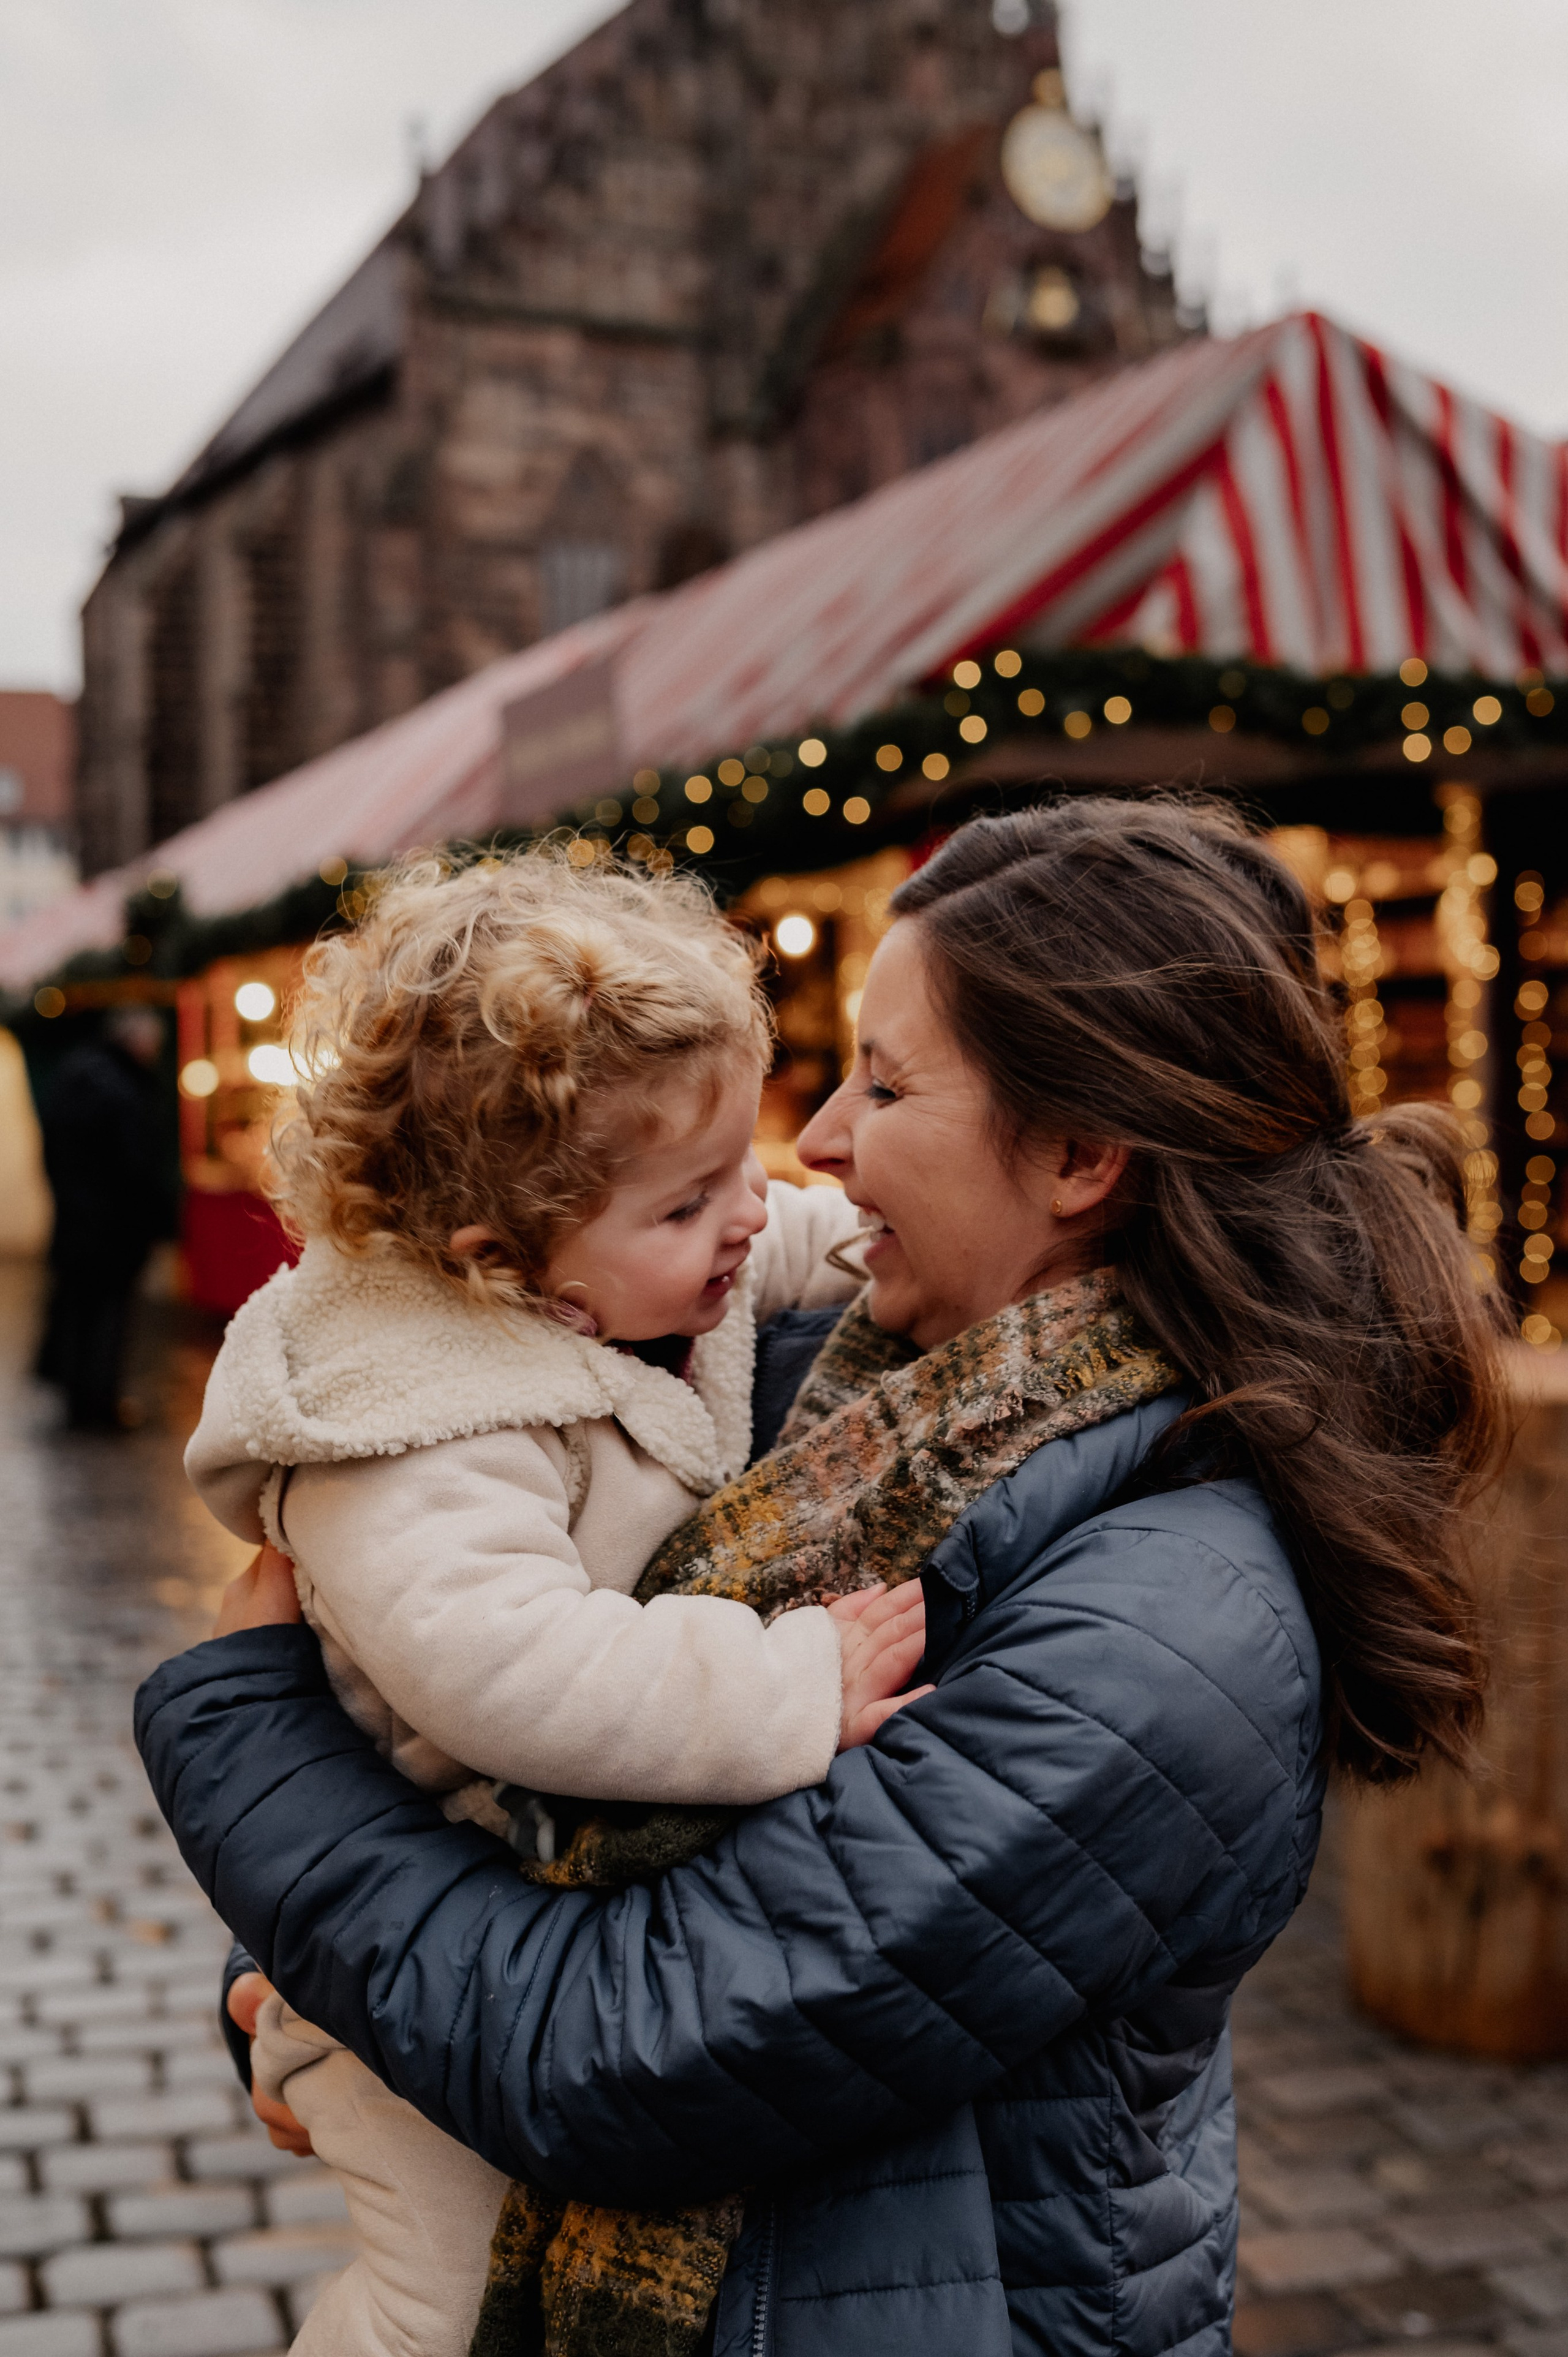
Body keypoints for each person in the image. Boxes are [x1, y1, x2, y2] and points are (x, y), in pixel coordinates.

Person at [139, 798, 1508, 2357]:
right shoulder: (840, 1383)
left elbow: (620, 2056)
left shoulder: (1172, 1621)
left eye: (887, 1076)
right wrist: (298, 1979)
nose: (821, 1138)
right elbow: (470, 1737)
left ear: (1077, 1153)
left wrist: (243, 1743)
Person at [181, 850, 927, 2356]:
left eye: (738, 1163)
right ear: (499, 1260)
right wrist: (784, 1689)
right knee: (440, 2303)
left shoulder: (637, 1259)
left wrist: (900, 1245)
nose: (741, 1218)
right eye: (687, 1201)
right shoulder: (415, 1420)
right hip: (406, 1968)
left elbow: (790, 1235)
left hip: (492, 1918)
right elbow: (513, 1670)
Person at [37, 1005, 166, 1429]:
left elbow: (51, 1152)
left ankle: (78, 1401)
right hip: (114, 1228)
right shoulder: (123, 1089)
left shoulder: (74, 1076)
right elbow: (137, 1166)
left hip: (75, 1222)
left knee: (78, 1312)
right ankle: (101, 1403)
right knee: (109, 1317)